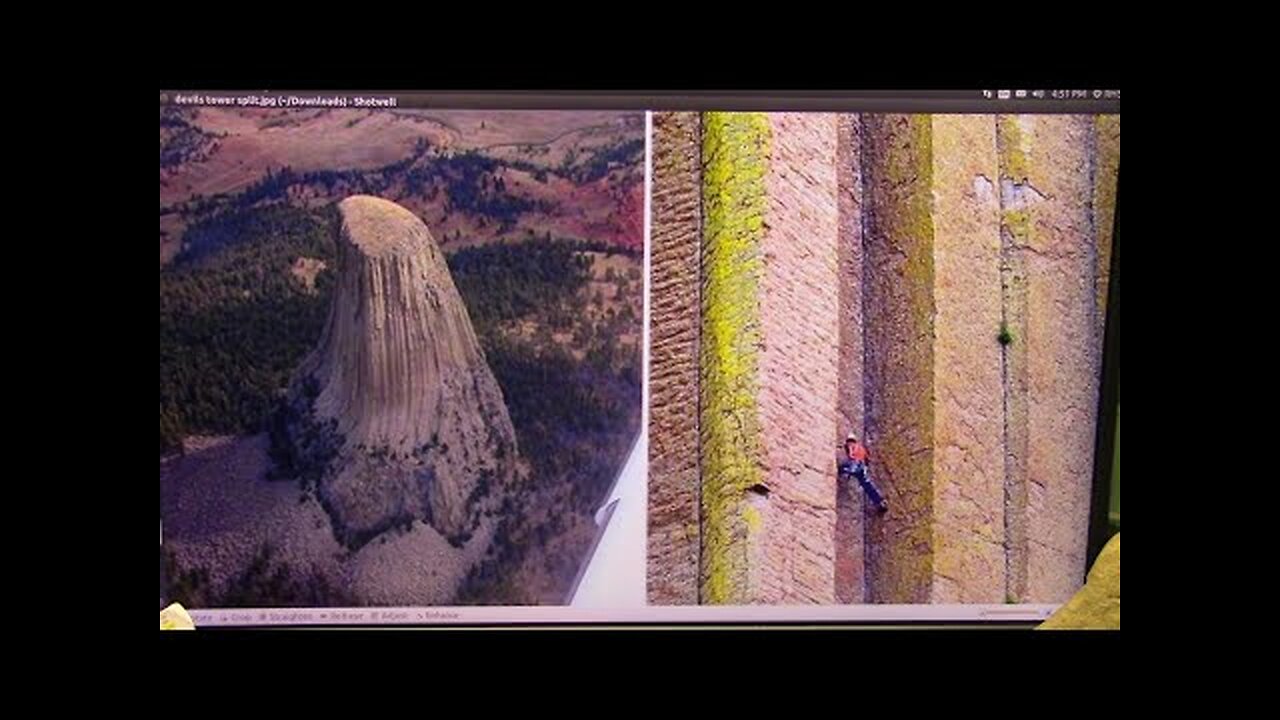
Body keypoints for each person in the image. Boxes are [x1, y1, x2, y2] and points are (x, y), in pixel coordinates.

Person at [838, 432, 889, 514]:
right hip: (862, 467)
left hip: (856, 464)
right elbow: (867, 460)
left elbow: (851, 455)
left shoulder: (851, 445)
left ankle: (842, 471)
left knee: (843, 468)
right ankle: (880, 502)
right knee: (867, 485)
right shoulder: (861, 448)